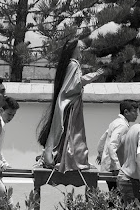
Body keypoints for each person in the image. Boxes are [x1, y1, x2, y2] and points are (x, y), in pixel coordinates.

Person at [37, 39, 105, 172]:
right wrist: (94, 75)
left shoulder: (70, 64)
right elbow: (74, 85)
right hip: (71, 105)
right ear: (74, 49)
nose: (82, 51)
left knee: (70, 134)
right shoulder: (73, 65)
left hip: (69, 104)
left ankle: (65, 158)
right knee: (72, 134)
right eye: (80, 48)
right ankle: (71, 160)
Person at [96, 99, 139, 192]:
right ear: (126, 112)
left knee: (115, 196)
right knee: (119, 197)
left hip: (110, 166)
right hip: (114, 169)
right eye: (134, 111)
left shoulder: (116, 122)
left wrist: (100, 153)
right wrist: (117, 167)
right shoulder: (122, 125)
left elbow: (103, 137)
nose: (137, 114)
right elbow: (112, 145)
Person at [0, 96, 20, 173]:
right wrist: (2, 164)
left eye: (13, 115)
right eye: (9, 114)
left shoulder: (1, 124)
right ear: (1, 110)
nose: (11, 117)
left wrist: (5, 163)